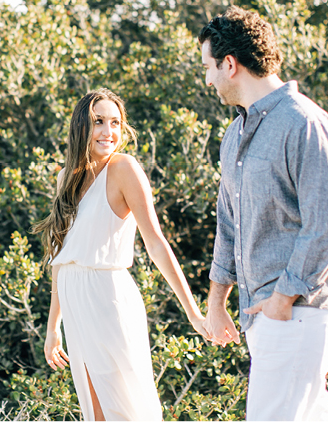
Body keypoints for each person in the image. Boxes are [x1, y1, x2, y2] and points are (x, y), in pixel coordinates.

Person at [199, 6, 328, 421]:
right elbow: (228, 224)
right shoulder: (234, 135)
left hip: (303, 309)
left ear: (230, 64)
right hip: (267, 315)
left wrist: (283, 299)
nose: (208, 79)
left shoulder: (303, 121)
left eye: (209, 67)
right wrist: (217, 302)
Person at [36, 88, 207, 421]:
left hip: (107, 300)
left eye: (115, 123)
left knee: (128, 410)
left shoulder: (124, 169)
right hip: (75, 305)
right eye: (99, 121)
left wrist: (193, 313)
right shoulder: (66, 179)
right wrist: (52, 326)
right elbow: (62, 256)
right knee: (96, 413)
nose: (108, 132)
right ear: (81, 126)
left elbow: (156, 242)